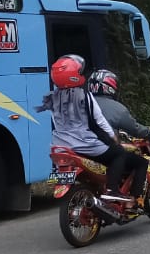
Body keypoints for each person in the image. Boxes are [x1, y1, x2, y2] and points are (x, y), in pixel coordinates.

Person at [37, 54, 138, 208]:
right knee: (118, 154)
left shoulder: (51, 97)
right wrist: (113, 137)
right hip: (84, 144)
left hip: (60, 146)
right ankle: (112, 190)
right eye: (79, 72)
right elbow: (100, 121)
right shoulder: (85, 96)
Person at [87, 68, 150, 202]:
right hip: (104, 150)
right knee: (141, 162)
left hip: (80, 149)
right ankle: (134, 198)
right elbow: (135, 129)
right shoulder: (116, 108)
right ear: (111, 87)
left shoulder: (80, 103)